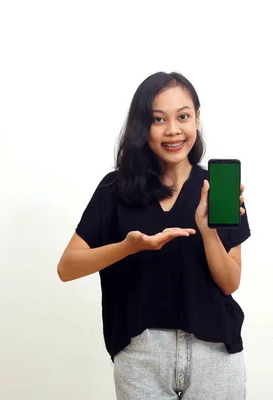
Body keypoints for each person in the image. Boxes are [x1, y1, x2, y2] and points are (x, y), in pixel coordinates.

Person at [57, 71, 251, 399]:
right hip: (141, 356)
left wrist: (208, 233)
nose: (173, 130)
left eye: (183, 116)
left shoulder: (216, 190)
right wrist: (127, 247)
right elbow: (68, 267)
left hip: (215, 353)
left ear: (197, 119)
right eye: (158, 119)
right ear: (142, 126)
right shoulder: (114, 189)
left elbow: (230, 282)